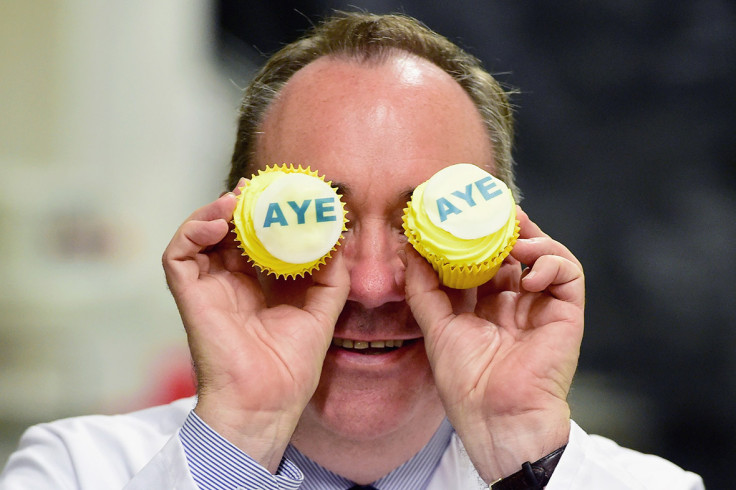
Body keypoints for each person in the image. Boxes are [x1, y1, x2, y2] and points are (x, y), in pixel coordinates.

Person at [0, 12, 703, 490]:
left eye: (418, 221)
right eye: (318, 218)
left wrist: (524, 457)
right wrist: (238, 435)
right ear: (237, 238)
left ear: (503, 246)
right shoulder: (73, 469)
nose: (369, 283)